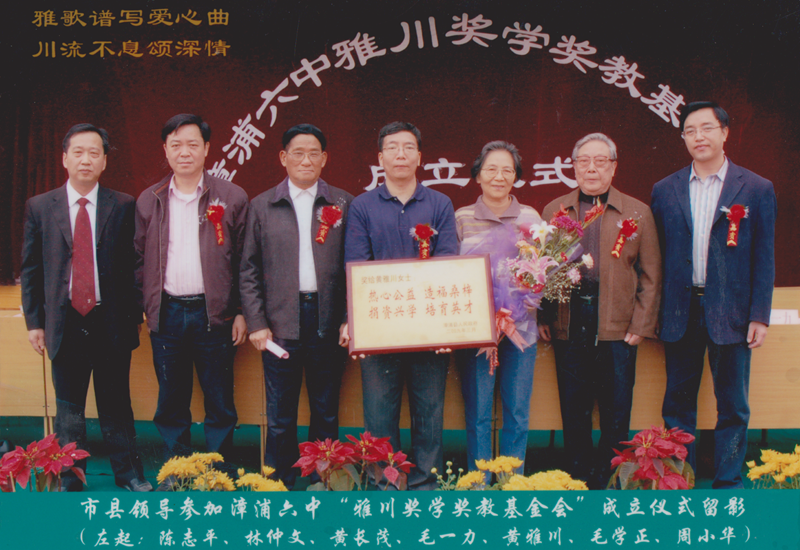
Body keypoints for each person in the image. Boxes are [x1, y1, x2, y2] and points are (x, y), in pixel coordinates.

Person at [651, 101, 776, 489]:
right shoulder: (664, 189)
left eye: (707, 128)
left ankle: (728, 482)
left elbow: (764, 256)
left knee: (733, 406)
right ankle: (676, 481)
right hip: (679, 309)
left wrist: (760, 314)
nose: (699, 137)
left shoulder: (755, 187)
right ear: (684, 138)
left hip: (733, 312)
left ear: (724, 133)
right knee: (677, 403)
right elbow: (657, 256)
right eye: (690, 130)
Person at [21, 123, 151, 492]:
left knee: (116, 405)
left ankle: (130, 476)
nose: (85, 159)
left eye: (94, 152)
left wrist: (135, 311)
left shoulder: (123, 204)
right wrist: (35, 322)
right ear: (64, 158)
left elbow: (136, 264)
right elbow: (30, 269)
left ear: (105, 161)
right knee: (68, 410)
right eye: (78, 152)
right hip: (63, 321)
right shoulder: (40, 206)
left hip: (110, 320)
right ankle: (69, 478)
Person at [538, 132, 661, 489]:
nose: (591, 169)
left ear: (613, 167)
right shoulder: (555, 210)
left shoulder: (638, 212)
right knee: (573, 409)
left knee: (616, 410)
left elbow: (651, 275)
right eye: (583, 161)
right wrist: (544, 316)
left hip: (618, 328)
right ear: (573, 166)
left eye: (600, 161)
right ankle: (578, 480)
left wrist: (641, 323)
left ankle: (613, 483)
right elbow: (542, 269)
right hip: (569, 322)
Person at [344, 121, 458, 490]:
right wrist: (355, 322)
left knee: (429, 414)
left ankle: (425, 487)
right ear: (380, 158)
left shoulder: (440, 204)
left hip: (428, 332)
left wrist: (444, 328)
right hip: (380, 329)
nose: (400, 154)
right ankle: (385, 487)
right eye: (392, 148)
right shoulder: (362, 206)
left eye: (408, 147)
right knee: (379, 417)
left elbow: (448, 264)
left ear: (420, 157)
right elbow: (356, 266)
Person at [240, 124, 353, 488]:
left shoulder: (342, 203)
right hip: (279, 323)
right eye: (298, 153)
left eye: (314, 153)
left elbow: (357, 266)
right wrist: (257, 322)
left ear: (325, 159)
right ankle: (279, 482)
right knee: (280, 415)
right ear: (283, 158)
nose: (306, 160)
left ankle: (326, 479)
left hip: (328, 319)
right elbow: (248, 268)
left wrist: (350, 319)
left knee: (325, 409)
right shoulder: (261, 205)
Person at [134, 114, 249, 472]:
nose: (185, 152)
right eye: (176, 144)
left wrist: (243, 311)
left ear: (207, 150)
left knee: (219, 399)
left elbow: (247, 258)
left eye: (193, 144)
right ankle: (178, 470)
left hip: (214, 313)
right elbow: (137, 259)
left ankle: (217, 471)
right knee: (171, 399)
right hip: (167, 312)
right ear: (165, 150)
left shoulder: (231, 196)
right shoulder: (148, 199)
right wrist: (147, 304)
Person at [454, 141, 541, 478]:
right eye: (491, 168)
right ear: (478, 175)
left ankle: (511, 481)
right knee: (478, 409)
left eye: (507, 170)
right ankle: (479, 481)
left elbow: (542, 270)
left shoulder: (531, 218)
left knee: (517, 409)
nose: (499, 176)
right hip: (475, 330)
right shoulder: (461, 217)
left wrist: (529, 299)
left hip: (520, 328)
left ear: (516, 177)